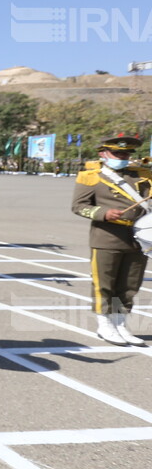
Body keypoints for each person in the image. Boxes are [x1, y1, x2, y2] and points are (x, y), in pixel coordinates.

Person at [71, 134, 152, 346]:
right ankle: (104, 324)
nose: (123, 157)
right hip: (107, 237)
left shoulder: (141, 175)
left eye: (126, 153)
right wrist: (103, 213)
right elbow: (78, 207)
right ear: (103, 153)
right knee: (104, 284)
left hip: (137, 238)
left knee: (129, 285)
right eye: (118, 153)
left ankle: (121, 323)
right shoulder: (91, 176)